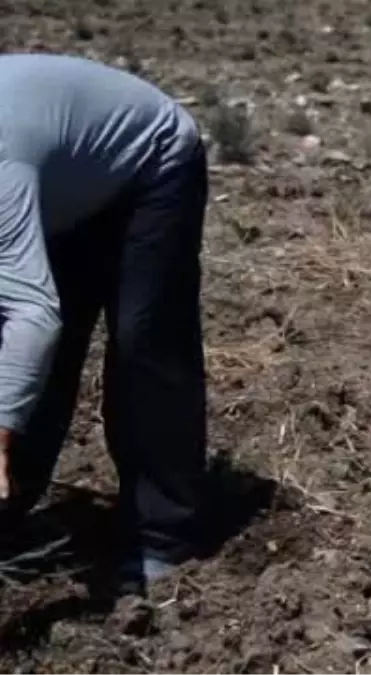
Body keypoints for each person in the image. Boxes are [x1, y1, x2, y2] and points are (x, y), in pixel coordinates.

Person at [0, 53, 210, 596]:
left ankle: (164, 535)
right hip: (64, 177)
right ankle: (8, 513)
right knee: (40, 350)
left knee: (144, 340)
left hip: (152, 160)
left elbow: (31, 313)